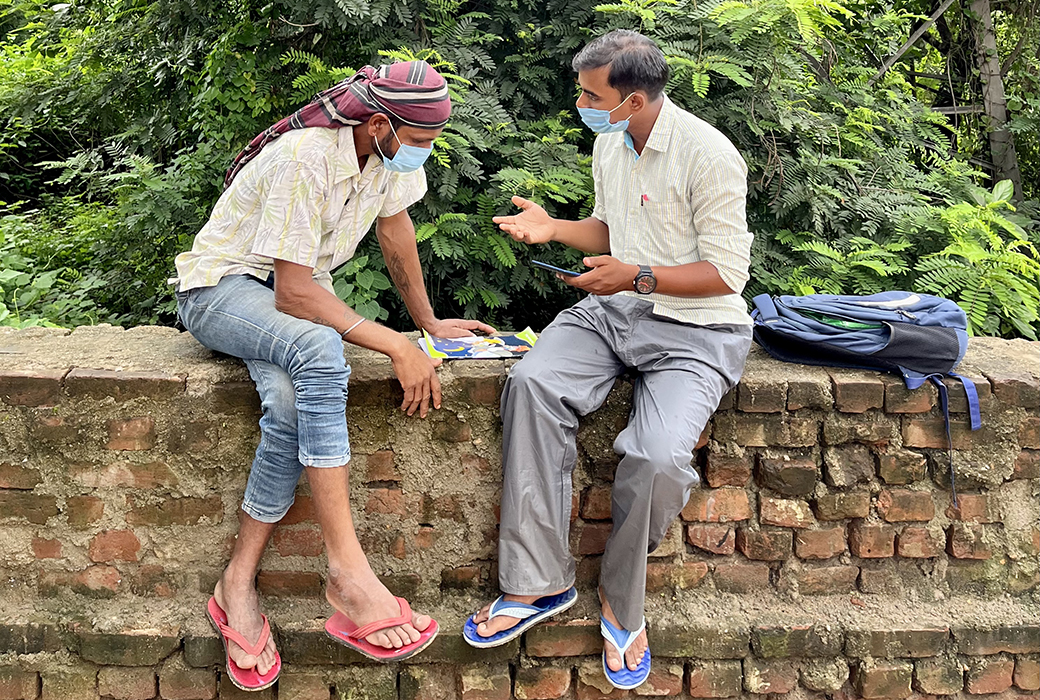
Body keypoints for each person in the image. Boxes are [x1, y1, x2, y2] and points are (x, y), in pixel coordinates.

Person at [173, 61, 494, 691]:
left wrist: (427, 322)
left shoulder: (387, 151)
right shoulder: (306, 158)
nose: (425, 153)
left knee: (292, 406)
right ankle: (348, 572)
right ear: (379, 123)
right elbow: (294, 292)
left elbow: (395, 227)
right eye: (422, 141)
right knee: (323, 353)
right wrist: (396, 346)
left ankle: (236, 583)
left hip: (284, 301)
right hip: (223, 291)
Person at [462, 30, 754, 690]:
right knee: (531, 382)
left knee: (654, 457)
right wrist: (555, 230)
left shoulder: (709, 155)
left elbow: (726, 274)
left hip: (699, 331)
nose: (581, 103)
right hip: (615, 312)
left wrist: (637, 278)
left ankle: (623, 601)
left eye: (592, 94)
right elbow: (611, 230)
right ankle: (537, 586)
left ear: (636, 98)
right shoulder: (609, 142)